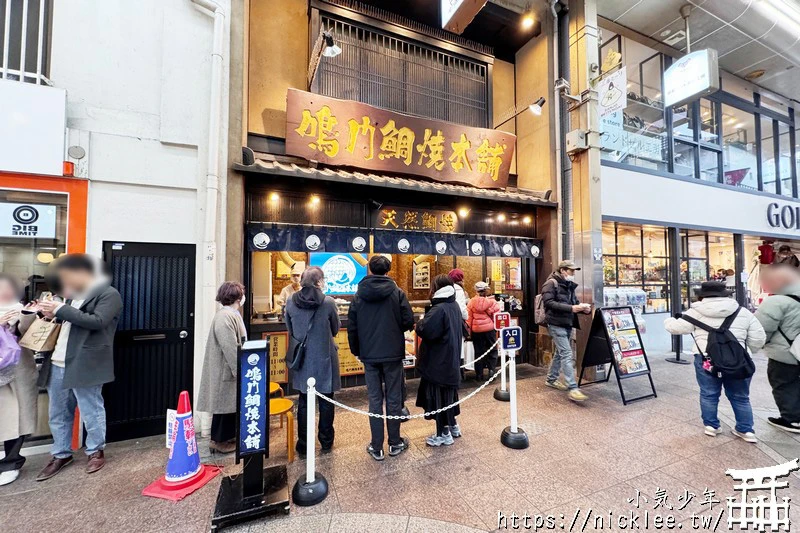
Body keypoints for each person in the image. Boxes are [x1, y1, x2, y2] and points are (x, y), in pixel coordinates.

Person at [35, 254, 122, 481]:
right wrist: (48, 314)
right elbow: (67, 323)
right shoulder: (69, 297)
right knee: (58, 412)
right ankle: (61, 453)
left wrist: (60, 309)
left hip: (86, 362)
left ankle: (95, 450)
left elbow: (97, 321)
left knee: (90, 409)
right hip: (57, 361)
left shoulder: (108, 294)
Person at [664, 281, 765, 442]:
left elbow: (676, 328)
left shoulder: (695, 312)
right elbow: (759, 338)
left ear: (702, 295)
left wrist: (668, 321)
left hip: (707, 359)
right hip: (738, 361)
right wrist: (746, 351)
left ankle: (711, 425)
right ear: (725, 294)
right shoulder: (742, 312)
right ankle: (745, 430)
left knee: (709, 393)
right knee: (740, 396)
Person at [347, 255, 413, 461]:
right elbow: (408, 320)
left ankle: (377, 447)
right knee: (394, 398)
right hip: (392, 353)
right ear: (388, 270)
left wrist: (357, 350)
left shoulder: (358, 295)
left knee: (375, 400)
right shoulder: (397, 292)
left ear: (371, 270)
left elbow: (352, 327)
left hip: (369, 355)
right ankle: (395, 442)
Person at [285, 267, 340, 455]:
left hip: (302, 359)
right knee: (326, 401)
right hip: (324, 357)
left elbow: (290, 329)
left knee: (304, 401)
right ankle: (326, 441)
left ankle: (303, 444)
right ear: (318, 282)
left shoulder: (291, 302)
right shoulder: (328, 302)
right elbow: (334, 329)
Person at [197, 281, 247, 454]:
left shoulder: (228, 314)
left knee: (227, 405)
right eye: (241, 293)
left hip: (227, 369)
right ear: (237, 297)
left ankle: (226, 437)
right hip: (225, 370)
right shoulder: (226, 317)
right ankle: (219, 440)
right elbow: (230, 347)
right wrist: (239, 369)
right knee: (224, 406)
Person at [415, 274, 464, 447]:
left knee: (438, 397)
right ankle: (453, 426)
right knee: (449, 395)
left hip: (438, 362)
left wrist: (420, 323)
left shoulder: (439, 308)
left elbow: (425, 330)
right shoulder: (454, 304)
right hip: (450, 359)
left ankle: (443, 434)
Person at [0, 274, 38, 486]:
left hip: (19, 372)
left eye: (8, 288)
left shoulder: (20, 310)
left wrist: (26, 316)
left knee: (18, 418)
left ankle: (11, 462)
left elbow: (30, 336)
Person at [755, 264, 800, 434]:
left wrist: (752, 347)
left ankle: (792, 419)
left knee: (783, 383)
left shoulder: (776, 301)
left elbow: (761, 330)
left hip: (785, 353)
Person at [541, 260, 591, 402]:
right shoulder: (551, 283)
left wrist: (583, 308)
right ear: (563, 270)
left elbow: (573, 303)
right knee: (567, 353)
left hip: (567, 323)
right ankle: (573, 388)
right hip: (556, 324)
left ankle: (551, 379)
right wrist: (571, 308)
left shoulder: (568, 285)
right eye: (571, 271)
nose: (573, 273)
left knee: (560, 353)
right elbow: (548, 303)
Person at [467, 281, 500, 381]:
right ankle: (491, 371)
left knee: (479, 351)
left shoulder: (471, 302)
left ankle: (479, 374)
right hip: (489, 329)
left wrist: (469, 331)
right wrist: (496, 327)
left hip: (477, 330)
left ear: (476, 290)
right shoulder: (492, 302)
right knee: (493, 350)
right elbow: (497, 316)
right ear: (486, 291)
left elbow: (469, 318)